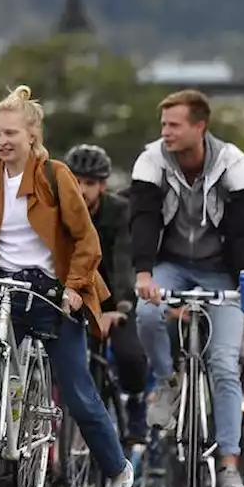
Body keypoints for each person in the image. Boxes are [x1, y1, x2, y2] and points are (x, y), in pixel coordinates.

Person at [0, 85, 136, 487]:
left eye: (9, 133)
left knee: (81, 397)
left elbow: (87, 240)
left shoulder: (55, 176)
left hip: (53, 294)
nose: (1, 141)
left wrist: (74, 285)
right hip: (4, 290)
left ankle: (119, 472)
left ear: (32, 135)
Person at [129, 89, 244, 487]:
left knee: (224, 364)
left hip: (221, 269)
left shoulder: (233, 163)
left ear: (199, 127)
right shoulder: (151, 160)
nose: (165, 132)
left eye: (174, 125)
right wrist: (144, 273)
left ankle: (229, 468)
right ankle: (168, 381)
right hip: (172, 263)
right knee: (148, 314)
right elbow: (144, 218)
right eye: (163, 125)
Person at [64, 143, 149, 443]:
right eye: (75, 181)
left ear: (102, 186)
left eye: (89, 183)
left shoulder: (120, 212)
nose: (82, 190)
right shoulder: (57, 210)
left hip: (114, 298)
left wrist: (121, 307)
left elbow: (125, 260)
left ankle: (136, 403)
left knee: (130, 355)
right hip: (71, 297)